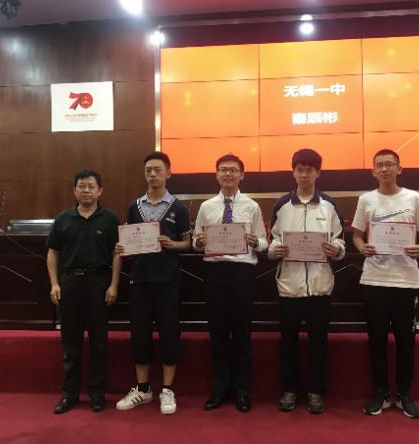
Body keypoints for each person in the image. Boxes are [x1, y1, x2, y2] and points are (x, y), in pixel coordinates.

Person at [351, 149, 419, 419]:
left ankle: (404, 394)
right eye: (380, 165)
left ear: (399, 169)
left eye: (389, 164)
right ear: (373, 171)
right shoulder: (366, 200)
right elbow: (357, 235)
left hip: (406, 281)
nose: (384, 169)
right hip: (374, 279)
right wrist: (362, 247)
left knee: (405, 342)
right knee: (376, 341)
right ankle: (381, 393)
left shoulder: (413, 198)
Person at [268, 149, 346, 414]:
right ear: (293, 172)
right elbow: (273, 240)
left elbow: (339, 240)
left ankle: (316, 391)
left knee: (318, 342)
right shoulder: (282, 205)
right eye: (299, 169)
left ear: (317, 173)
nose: (304, 174)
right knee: (288, 343)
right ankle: (289, 390)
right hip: (289, 286)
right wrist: (275, 249)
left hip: (319, 286)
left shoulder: (329, 205)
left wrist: (336, 249)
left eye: (309, 170)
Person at [115, 151, 191, 415]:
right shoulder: (134, 206)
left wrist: (172, 244)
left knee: (170, 333)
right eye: (148, 170)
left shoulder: (178, 207)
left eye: (158, 170)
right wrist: (123, 248)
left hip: (168, 279)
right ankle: (143, 388)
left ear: (168, 173)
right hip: (140, 279)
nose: (153, 174)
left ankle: (167, 390)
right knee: (139, 335)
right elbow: (127, 241)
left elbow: (188, 243)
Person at [193, 154, 268, 412]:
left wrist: (255, 241)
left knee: (242, 334)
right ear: (216, 175)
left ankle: (242, 392)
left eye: (233, 170)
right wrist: (199, 242)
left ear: (241, 175)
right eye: (223, 170)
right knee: (218, 334)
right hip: (215, 273)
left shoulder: (252, 206)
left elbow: (264, 242)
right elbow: (196, 241)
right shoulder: (206, 207)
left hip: (242, 273)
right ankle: (219, 390)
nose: (228, 174)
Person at [47, 169, 121, 414]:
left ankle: (97, 395)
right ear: (74, 190)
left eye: (91, 186)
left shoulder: (110, 219)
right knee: (70, 344)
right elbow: (53, 253)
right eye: (82, 186)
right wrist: (54, 283)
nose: (86, 190)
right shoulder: (63, 219)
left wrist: (114, 284)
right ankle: (69, 395)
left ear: (100, 191)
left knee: (99, 343)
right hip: (69, 284)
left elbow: (117, 253)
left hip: (99, 284)